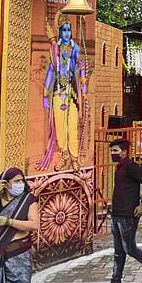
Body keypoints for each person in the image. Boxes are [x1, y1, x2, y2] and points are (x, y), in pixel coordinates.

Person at [95, 139, 142, 283]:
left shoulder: (130, 166)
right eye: (112, 151)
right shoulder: (120, 167)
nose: (113, 154)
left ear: (124, 152)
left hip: (128, 214)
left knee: (130, 248)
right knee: (118, 250)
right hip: (117, 212)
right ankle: (115, 282)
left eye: (116, 151)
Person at [39, 11, 87, 171]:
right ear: (60, 32)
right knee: (60, 126)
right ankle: (64, 155)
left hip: (72, 92)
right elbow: (51, 71)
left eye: (69, 29)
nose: (67, 33)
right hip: (58, 91)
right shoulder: (55, 49)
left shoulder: (75, 48)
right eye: (64, 30)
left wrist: (84, 87)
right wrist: (46, 95)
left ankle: (74, 157)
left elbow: (81, 69)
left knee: (72, 125)